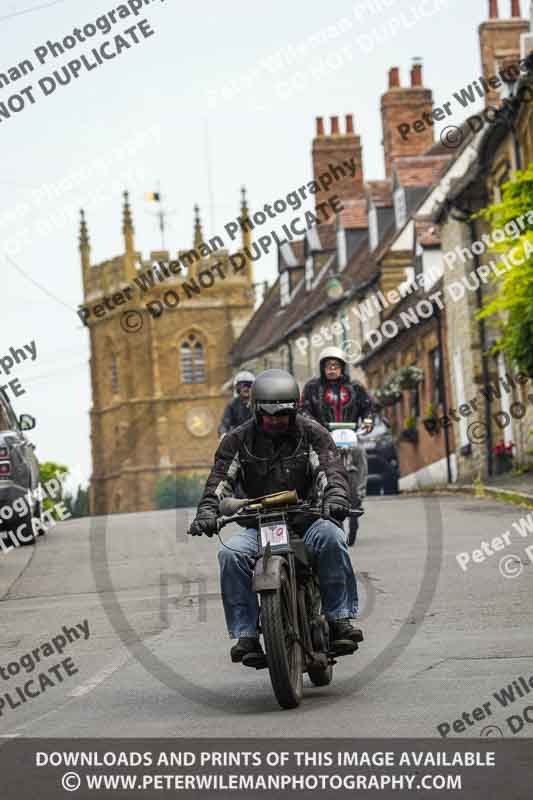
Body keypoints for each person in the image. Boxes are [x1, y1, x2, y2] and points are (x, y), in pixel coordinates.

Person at [189, 369, 363, 668]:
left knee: (333, 538)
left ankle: (339, 619)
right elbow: (219, 482)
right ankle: (246, 635)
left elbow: (330, 471)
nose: (276, 420)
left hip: (306, 519)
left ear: (294, 409)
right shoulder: (236, 441)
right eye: (269, 414)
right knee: (230, 554)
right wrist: (207, 511)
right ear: (256, 409)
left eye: (282, 414)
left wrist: (335, 497)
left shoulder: (313, 434)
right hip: (257, 524)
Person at [301, 346, 373, 510]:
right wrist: (313, 424)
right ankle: (314, 494)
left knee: (360, 452)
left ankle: (359, 493)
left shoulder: (356, 387)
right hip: (322, 437)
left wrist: (368, 421)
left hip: (350, 435)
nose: (332, 369)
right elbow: (303, 410)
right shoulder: (312, 388)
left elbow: (367, 407)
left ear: (342, 367)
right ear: (322, 368)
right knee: (312, 461)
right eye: (328, 366)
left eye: (336, 366)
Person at [217, 370, 255, 437]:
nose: (246, 388)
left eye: (249, 385)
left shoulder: (258, 403)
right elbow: (224, 423)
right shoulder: (232, 404)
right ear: (237, 388)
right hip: (238, 439)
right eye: (243, 385)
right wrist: (223, 434)